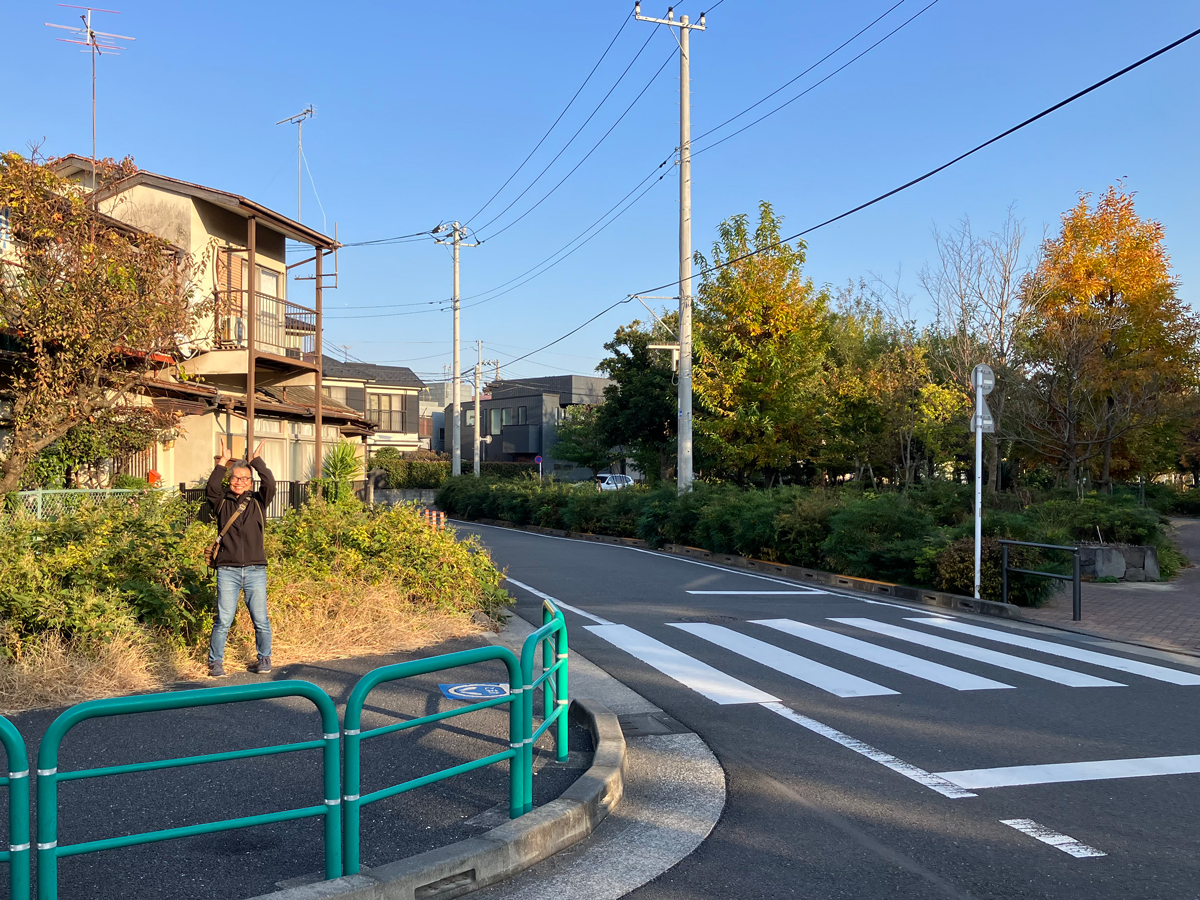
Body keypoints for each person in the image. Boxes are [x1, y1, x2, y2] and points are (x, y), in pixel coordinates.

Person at [206, 436, 275, 677]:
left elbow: (270, 484)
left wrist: (257, 462)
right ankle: (216, 662)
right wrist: (223, 462)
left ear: (250, 482)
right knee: (223, 619)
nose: (239, 482)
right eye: (235, 478)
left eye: (245, 479)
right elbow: (211, 488)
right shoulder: (221, 502)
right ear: (230, 479)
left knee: (261, 619)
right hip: (228, 570)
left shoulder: (258, 501)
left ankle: (264, 659)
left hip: (256, 569)